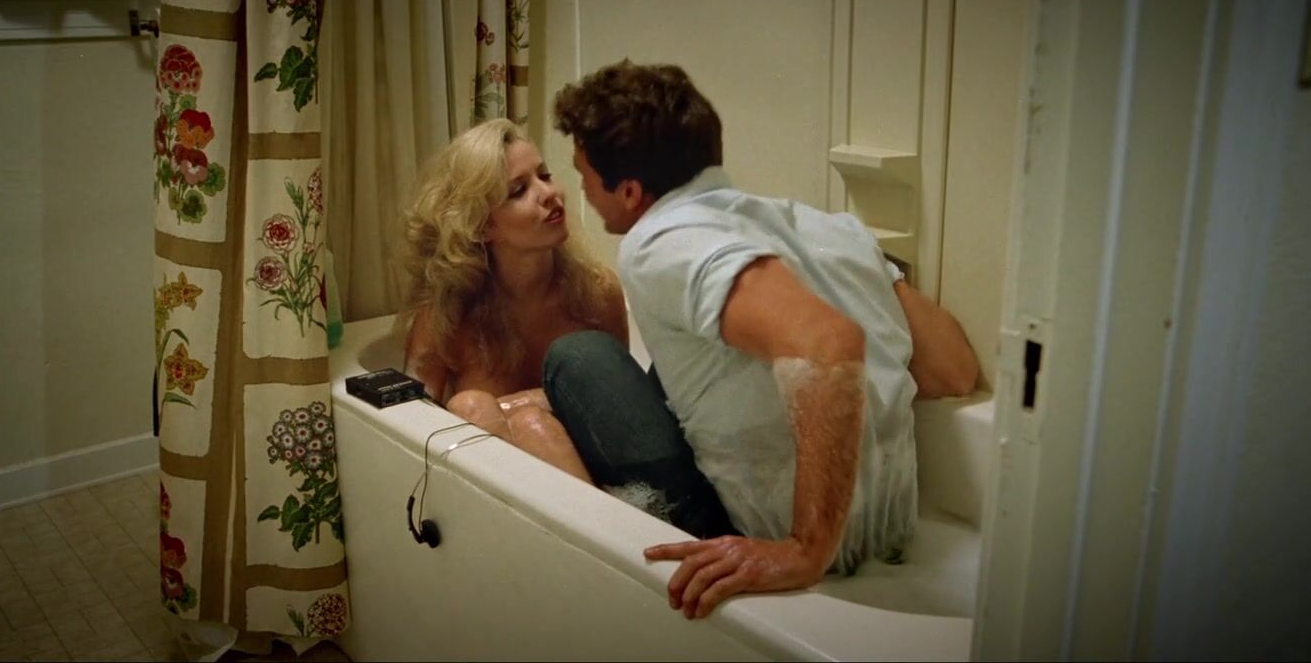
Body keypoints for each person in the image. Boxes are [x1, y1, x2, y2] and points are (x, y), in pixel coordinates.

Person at [546, 60, 980, 619]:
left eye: (583, 174)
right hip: (894, 544)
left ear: (629, 191)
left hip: (778, 555)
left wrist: (804, 550)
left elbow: (827, 342)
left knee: (577, 357)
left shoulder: (658, 243)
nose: (580, 188)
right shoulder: (827, 229)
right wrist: (875, 281)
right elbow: (954, 371)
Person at [399, 118, 629, 484]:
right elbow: (410, 424)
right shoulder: (448, 312)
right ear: (481, 226)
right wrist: (523, 407)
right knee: (470, 406)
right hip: (488, 491)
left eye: (545, 175)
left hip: (598, 480)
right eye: (519, 191)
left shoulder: (597, 293)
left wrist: (518, 410)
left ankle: (594, 521)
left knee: (521, 420)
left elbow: (622, 412)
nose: (548, 193)